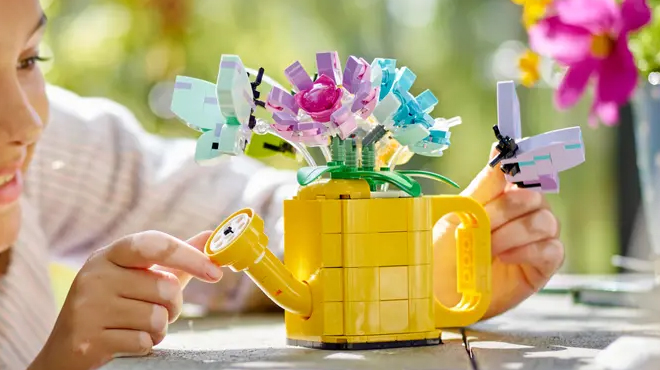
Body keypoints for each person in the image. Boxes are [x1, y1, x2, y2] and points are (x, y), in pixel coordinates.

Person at [0, 1, 563, 369]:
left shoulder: (53, 155)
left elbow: (245, 212)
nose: (26, 123)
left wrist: (414, 269)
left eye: (29, 59)